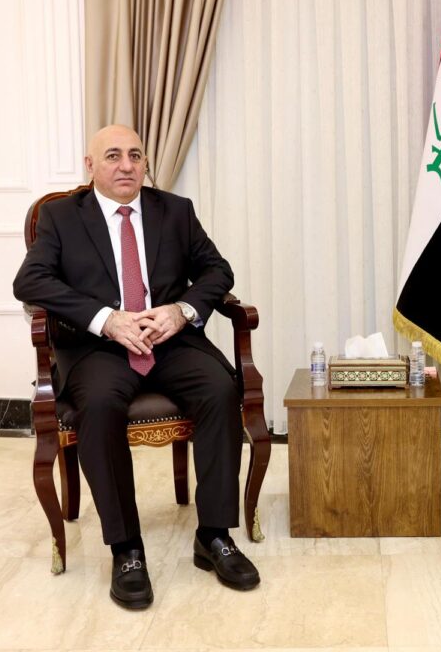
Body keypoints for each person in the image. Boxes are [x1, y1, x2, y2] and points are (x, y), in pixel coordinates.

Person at [14, 125, 259, 609]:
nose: (126, 165)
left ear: (146, 163)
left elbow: (218, 271)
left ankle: (214, 535)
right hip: (98, 348)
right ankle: (126, 548)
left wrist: (181, 311)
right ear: (90, 166)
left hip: (171, 341)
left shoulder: (175, 210)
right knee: (100, 405)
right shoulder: (62, 217)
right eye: (113, 156)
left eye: (135, 155)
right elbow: (30, 281)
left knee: (219, 390)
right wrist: (104, 319)